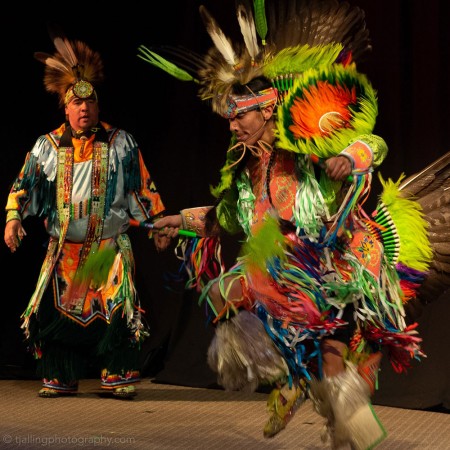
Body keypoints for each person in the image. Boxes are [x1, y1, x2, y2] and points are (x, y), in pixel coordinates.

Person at [139, 1, 445, 448]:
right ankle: (311, 393)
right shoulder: (245, 173)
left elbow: (372, 143)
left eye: (239, 115)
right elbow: (219, 219)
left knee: (336, 365)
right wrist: (174, 221)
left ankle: (351, 430)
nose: (233, 127)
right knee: (237, 306)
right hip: (289, 285)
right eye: (229, 118)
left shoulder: (307, 148)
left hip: (338, 273)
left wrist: (345, 157)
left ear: (266, 109)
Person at [4, 29, 170, 399]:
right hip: (65, 252)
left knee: (118, 311)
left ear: (98, 106)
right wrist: (13, 217)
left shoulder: (120, 142)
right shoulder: (46, 147)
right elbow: (23, 185)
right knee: (57, 313)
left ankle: (118, 371)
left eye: (90, 103)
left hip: (109, 249)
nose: (84, 109)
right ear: (65, 108)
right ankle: (61, 373)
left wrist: (157, 225)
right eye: (77, 105)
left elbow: (143, 188)